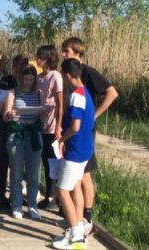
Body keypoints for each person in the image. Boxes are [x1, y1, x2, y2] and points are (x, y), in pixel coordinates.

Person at [61, 37, 118, 233]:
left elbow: (112, 93)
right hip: (73, 128)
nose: (63, 54)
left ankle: (86, 217)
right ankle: (75, 219)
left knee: (85, 174)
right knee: (76, 178)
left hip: (82, 130)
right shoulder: (70, 73)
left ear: (77, 52)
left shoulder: (87, 73)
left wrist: (93, 116)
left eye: (66, 50)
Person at [52, 58, 95, 249]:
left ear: (68, 75)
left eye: (63, 75)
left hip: (76, 150)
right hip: (86, 148)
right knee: (75, 187)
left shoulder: (76, 95)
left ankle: (76, 236)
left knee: (62, 191)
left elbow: (75, 126)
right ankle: (78, 230)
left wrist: (62, 139)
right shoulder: (85, 92)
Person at [3, 65, 43, 219]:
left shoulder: (40, 93)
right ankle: (17, 205)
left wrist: (44, 111)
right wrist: (9, 114)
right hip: (16, 133)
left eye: (31, 79)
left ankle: (32, 205)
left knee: (34, 174)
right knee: (16, 172)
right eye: (26, 79)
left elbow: (43, 114)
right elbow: (5, 116)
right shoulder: (13, 92)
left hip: (33, 134)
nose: (28, 82)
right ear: (21, 78)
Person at [0, 54, 29, 209]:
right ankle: (1, 196)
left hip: (22, 128)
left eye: (20, 71)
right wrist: (7, 107)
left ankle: (17, 195)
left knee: (19, 165)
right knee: (2, 163)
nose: (17, 74)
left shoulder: (29, 82)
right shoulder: (5, 81)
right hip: (4, 125)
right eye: (16, 70)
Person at [35, 45, 64, 211]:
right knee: (46, 160)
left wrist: (59, 125)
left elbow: (60, 103)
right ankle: (49, 195)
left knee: (53, 162)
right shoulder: (40, 77)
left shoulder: (55, 76)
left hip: (52, 125)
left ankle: (55, 196)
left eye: (41, 57)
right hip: (41, 123)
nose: (38, 60)